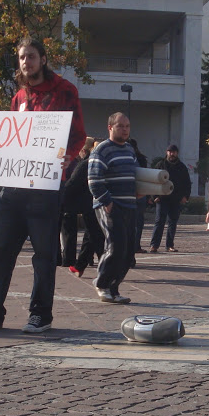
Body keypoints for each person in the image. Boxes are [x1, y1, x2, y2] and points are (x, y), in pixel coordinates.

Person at [0, 36, 86, 333]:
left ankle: (40, 314)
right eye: (22, 57)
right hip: (13, 188)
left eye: (31, 56)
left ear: (42, 59)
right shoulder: (19, 98)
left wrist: (68, 157)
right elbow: (11, 142)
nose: (26, 62)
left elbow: (78, 134)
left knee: (43, 255)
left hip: (45, 187)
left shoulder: (65, 91)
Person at [88, 112, 138, 304]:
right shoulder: (102, 150)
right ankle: (101, 283)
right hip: (110, 205)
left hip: (130, 205)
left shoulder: (129, 150)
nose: (125, 130)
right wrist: (107, 202)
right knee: (116, 247)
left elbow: (134, 175)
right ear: (110, 127)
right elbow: (93, 180)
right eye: (121, 126)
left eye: (127, 126)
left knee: (128, 251)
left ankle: (113, 288)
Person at [64, 137, 105, 278]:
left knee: (96, 236)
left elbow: (71, 184)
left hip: (89, 205)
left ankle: (105, 267)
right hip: (99, 204)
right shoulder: (102, 163)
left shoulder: (85, 164)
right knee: (92, 235)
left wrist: (60, 198)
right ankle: (79, 266)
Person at [149, 144, 191, 253]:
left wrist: (185, 196)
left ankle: (170, 245)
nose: (172, 154)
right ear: (166, 152)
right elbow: (153, 181)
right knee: (159, 222)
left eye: (174, 152)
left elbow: (187, 183)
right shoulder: (160, 165)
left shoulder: (181, 167)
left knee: (173, 222)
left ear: (177, 153)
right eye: (170, 152)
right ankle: (154, 245)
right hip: (162, 198)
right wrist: (155, 196)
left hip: (176, 199)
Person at [130, 138, 150, 255]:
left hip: (129, 193)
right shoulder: (141, 158)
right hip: (140, 193)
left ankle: (131, 246)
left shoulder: (125, 158)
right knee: (138, 222)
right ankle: (136, 245)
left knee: (129, 222)